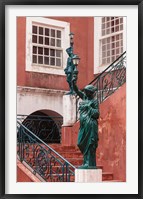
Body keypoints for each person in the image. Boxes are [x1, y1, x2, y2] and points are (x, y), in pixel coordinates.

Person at [72, 78, 100, 169]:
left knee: (90, 144)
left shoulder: (94, 101)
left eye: (87, 91)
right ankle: (86, 162)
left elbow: (97, 114)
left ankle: (88, 163)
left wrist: (89, 107)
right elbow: (76, 90)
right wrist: (73, 83)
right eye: (85, 91)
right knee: (80, 143)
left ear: (91, 93)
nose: (86, 92)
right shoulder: (84, 97)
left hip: (91, 124)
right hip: (83, 125)